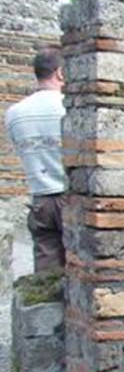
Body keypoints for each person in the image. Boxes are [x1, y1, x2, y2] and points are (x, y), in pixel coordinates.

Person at [4, 47, 67, 272]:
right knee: (82, 270)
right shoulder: (67, 107)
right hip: (70, 198)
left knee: (46, 276)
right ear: (60, 72)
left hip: (40, 199)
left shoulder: (14, 113)